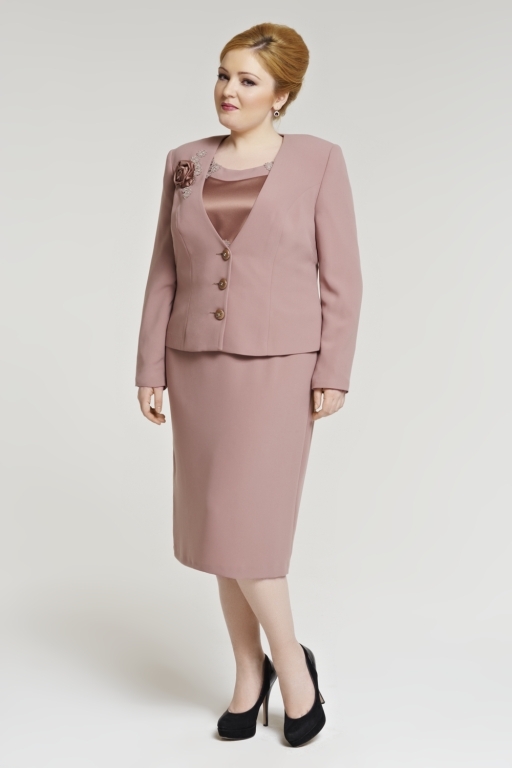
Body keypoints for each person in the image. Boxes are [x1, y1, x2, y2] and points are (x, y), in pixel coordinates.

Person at [135, 22, 363, 747]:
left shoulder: (319, 162)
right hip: (195, 365)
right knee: (217, 526)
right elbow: (164, 270)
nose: (228, 91)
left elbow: (343, 278)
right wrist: (148, 366)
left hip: (279, 369)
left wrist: (333, 370)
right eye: (223, 74)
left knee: (252, 532)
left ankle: (292, 671)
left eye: (247, 80)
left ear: (282, 95)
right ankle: (246, 673)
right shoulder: (184, 162)